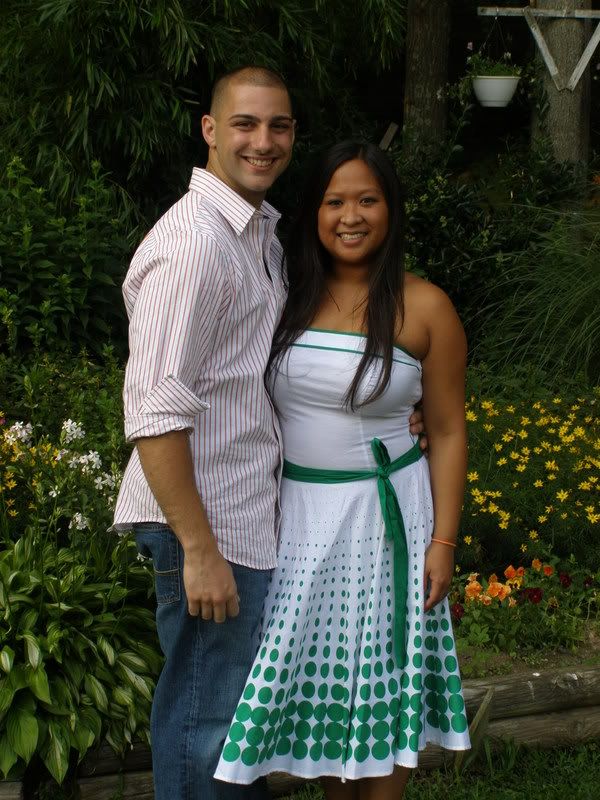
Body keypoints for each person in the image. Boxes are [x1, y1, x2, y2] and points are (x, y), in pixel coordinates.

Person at [113, 69, 426, 800]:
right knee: (207, 726)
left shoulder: (258, 236)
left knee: (235, 732)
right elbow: (155, 410)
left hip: (247, 519)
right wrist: (198, 549)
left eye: (278, 126)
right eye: (245, 123)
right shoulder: (194, 245)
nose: (263, 141)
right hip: (207, 523)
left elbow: (269, 376)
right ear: (209, 131)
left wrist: (394, 415)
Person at [215, 141, 470, 799]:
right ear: (315, 212)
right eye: (334, 201)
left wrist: (444, 541)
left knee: (385, 670)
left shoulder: (427, 307)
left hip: (388, 519)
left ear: (391, 210)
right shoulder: (285, 294)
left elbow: (446, 430)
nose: (350, 216)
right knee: (321, 672)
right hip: (298, 518)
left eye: (367, 200)